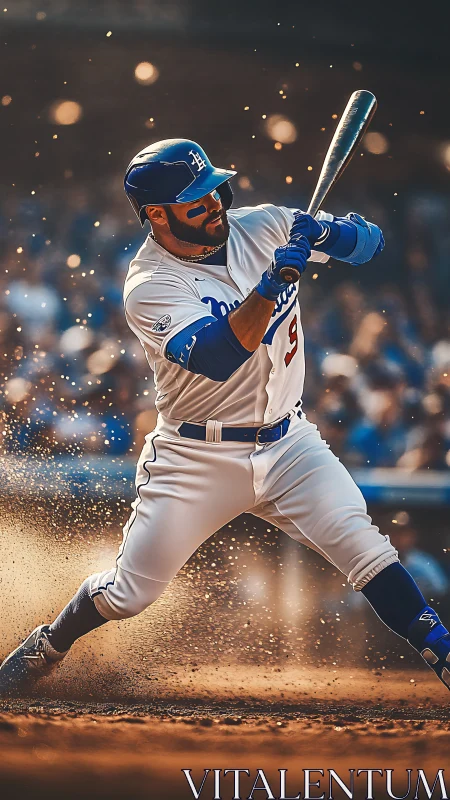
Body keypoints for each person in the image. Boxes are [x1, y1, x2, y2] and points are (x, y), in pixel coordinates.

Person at [1, 138, 450, 694]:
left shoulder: (264, 225)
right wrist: (269, 286)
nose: (214, 204)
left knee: (368, 550)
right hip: (196, 456)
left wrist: (326, 233)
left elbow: (371, 245)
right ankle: (50, 643)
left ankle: (443, 653)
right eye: (196, 200)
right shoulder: (149, 284)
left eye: (214, 189)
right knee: (129, 594)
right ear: (157, 215)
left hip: (290, 444)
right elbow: (217, 356)